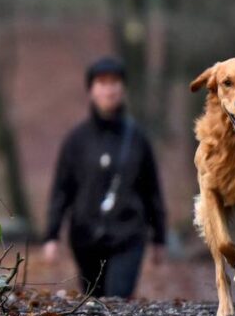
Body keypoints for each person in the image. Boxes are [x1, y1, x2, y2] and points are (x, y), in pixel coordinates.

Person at [43, 57, 166, 298]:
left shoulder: (138, 138)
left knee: (116, 299)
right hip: (85, 237)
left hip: (128, 235)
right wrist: (51, 235)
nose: (109, 90)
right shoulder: (76, 140)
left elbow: (152, 190)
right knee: (94, 303)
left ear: (123, 89)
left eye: (114, 83)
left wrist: (159, 238)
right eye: (102, 83)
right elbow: (61, 190)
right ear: (91, 90)